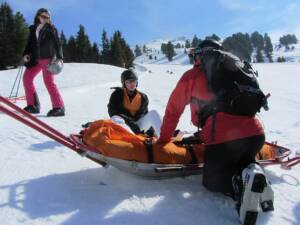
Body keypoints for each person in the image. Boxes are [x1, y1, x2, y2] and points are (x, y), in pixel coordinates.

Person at [157, 40, 273, 224]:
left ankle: (238, 186)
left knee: (212, 181)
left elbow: (173, 110)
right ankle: (255, 175)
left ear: (200, 55)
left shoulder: (192, 76)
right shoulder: (235, 72)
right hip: (256, 135)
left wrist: (163, 140)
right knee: (241, 160)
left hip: (224, 139)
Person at [22, 8, 65, 117]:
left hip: (47, 58)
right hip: (35, 59)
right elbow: (29, 44)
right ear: (38, 16)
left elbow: (57, 44)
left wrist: (59, 58)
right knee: (27, 78)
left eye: (47, 17)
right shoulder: (33, 29)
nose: (45, 19)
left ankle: (59, 107)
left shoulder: (51, 29)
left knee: (49, 81)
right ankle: (33, 106)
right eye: (43, 17)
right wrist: (26, 54)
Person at [108, 69, 161, 136]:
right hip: (124, 125)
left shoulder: (143, 97)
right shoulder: (117, 94)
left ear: (136, 82)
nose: (131, 84)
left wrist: (150, 128)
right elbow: (112, 112)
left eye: (133, 81)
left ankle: (163, 138)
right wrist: (130, 123)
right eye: (128, 82)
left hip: (137, 127)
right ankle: (130, 139)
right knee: (115, 118)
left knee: (153, 113)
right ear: (124, 84)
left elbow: (144, 114)